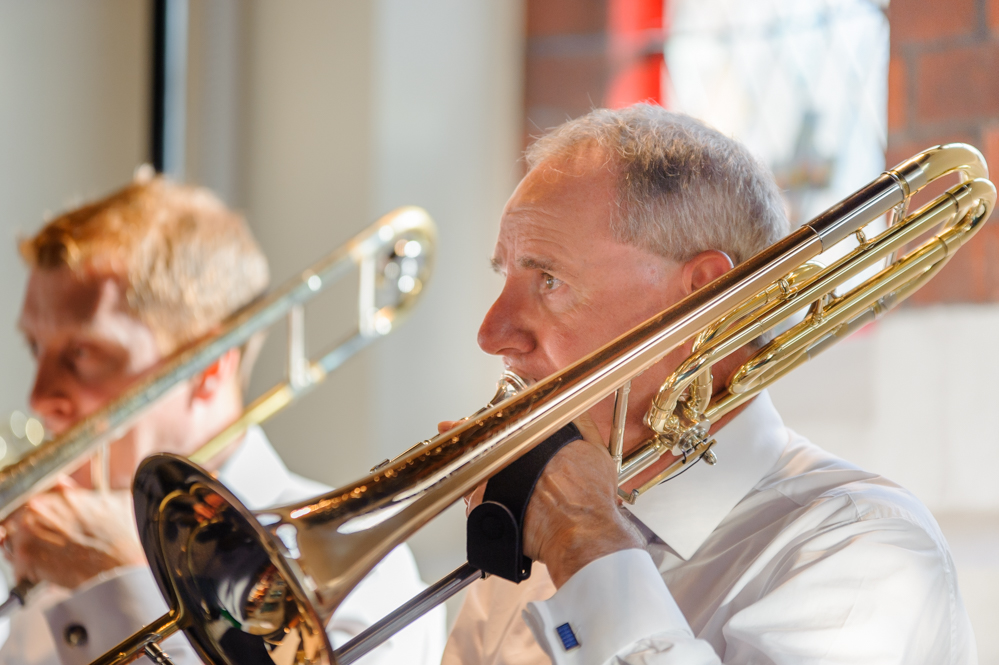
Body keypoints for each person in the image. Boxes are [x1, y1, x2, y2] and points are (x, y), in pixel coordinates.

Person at [441, 105, 976, 664]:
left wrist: (586, 540)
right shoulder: (533, 542)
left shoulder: (862, 545)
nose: (491, 334)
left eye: (549, 280)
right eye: (505, 276)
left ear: (702, 300)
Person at [0, 172, 445, 665]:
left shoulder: (363, 569)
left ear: (209, 366)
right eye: (36, 348)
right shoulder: (48, 550)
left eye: (83, 353)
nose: (39, 397)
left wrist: (117, 581)